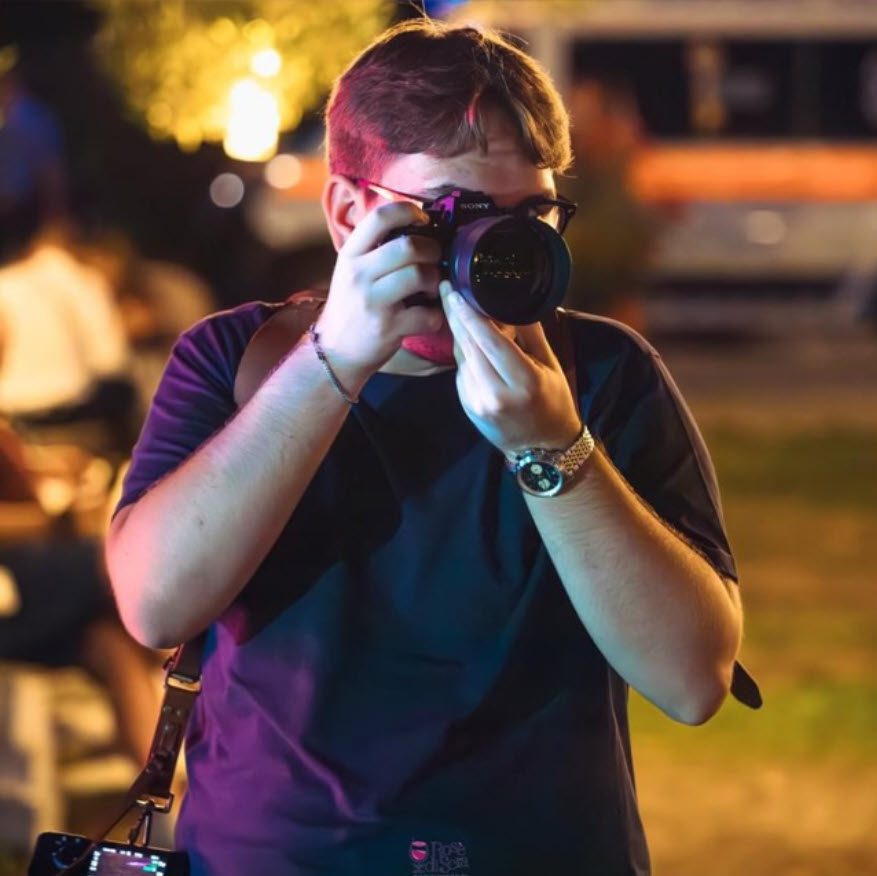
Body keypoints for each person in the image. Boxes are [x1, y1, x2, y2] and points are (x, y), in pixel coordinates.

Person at [106, 19, 751, 875]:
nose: (494, 248)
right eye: (457, 214)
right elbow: (155, 605)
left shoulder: (602, 375)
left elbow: (691, 678)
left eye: (531, 216)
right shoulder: (238, 362)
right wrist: (332, 363)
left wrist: (552, 445)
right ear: (348, 212)